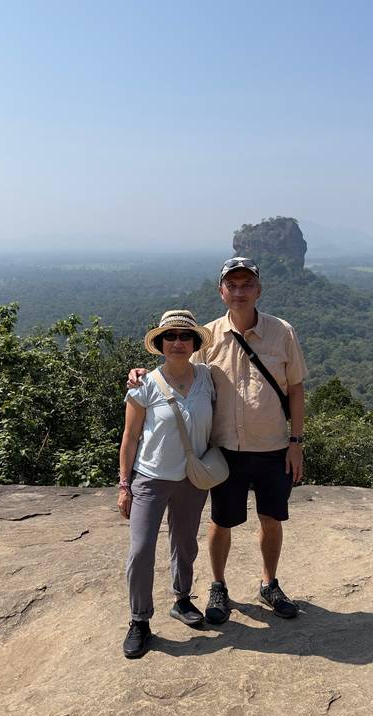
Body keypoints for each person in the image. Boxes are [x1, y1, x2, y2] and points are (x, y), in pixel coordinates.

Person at [128, 257, 308, 626]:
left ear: (258, 289)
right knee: (221, 522)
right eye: (232, 285)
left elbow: (296, 389)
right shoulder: (205, 338)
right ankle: (218, 586)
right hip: (225, 450)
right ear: (221, 291)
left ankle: (269, 583)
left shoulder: (282, 332)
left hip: (273, 445)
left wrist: (296, 442)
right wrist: (139, 374)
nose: (239, 292)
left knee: (272, 519)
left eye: (246, 285)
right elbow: (176, 369)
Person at [119, 309, 214, 659]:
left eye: (184, 337)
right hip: (151, 477)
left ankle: (182, 599)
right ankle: (139, 620)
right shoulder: (143, 383)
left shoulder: (208, 378)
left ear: (194, 343)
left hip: (192, 478)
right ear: (160, 344)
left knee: (185, 542)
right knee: (141, 550)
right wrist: (124, 485)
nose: (177, 342)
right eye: (170, 337)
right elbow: (129, 438)